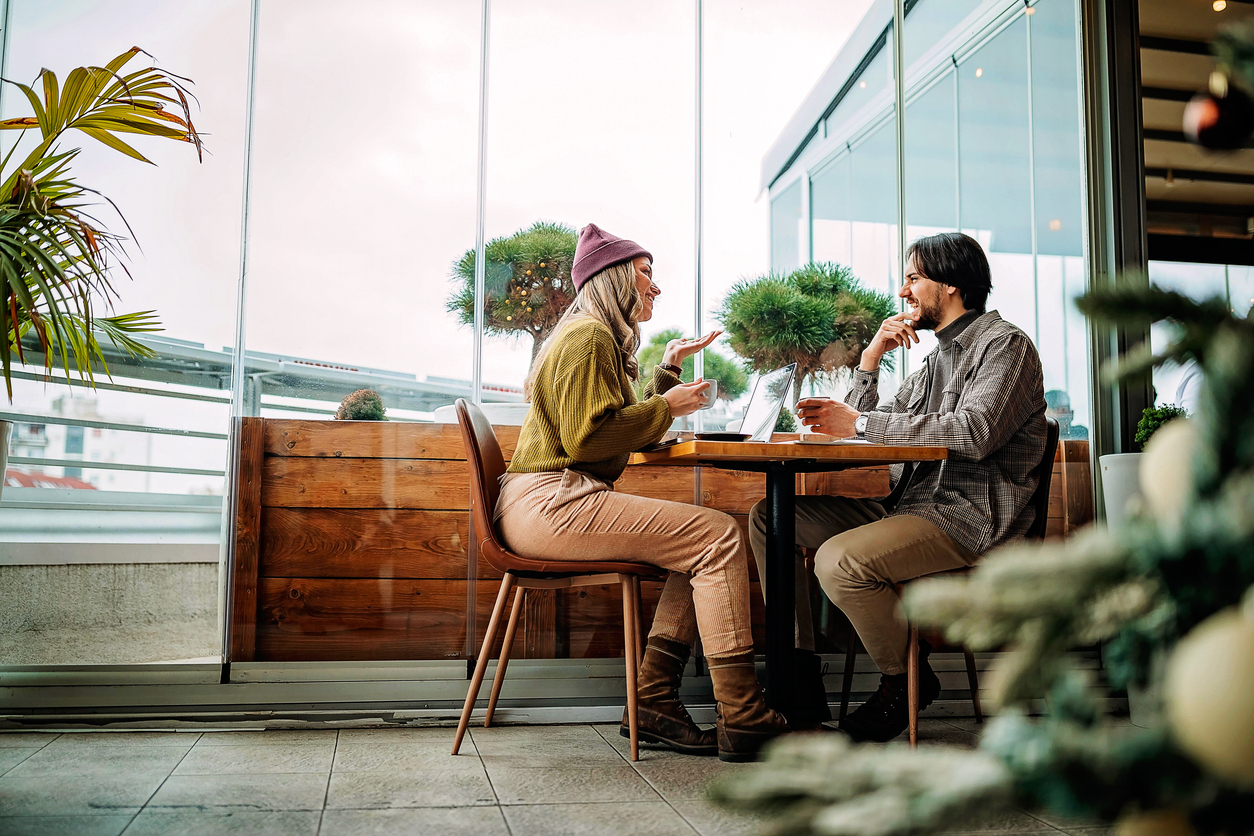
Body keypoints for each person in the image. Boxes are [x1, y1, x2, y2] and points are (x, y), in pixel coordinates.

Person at [495, 223, 789, 762]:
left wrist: (665, 375)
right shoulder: (589, 336)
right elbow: (592, 438)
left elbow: (608, 421)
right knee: (721, 534)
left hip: (545, 497)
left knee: (698, 544)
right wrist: (670, 407)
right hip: (553, 501)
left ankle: (653, 701)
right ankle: (745, 717)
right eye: (646, 273)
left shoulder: (587, 334)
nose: (655, 287)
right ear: (613, 279)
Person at [748, 231, 1046, 741]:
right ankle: (797, 684)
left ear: (949, 284)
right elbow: (867, 425)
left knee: (839, 560)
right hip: (909, 508)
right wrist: (870, 356)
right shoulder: (934, 361)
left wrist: (859, 426)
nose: (904, 293)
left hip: (968, 518)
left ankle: (903, 680)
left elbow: (973, 432)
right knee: (770, 518)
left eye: (913, 279)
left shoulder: (1006, 346)